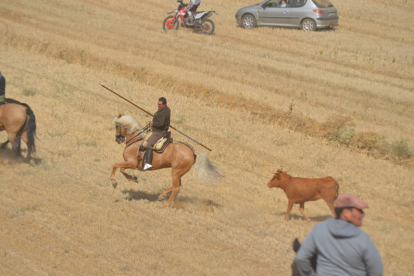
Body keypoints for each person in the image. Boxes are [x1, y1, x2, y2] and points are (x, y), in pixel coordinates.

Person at [295, 193, 383, 276]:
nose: (363, 214)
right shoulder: (363, 239)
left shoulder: (319, 230)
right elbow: (377, 271)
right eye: (360, 210)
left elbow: (301, 258)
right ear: (346, 213)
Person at [143, 97, 171, 171]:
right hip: (160, 130)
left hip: (159, 131)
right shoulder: (167, 109)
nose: (158, 106)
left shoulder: (163, 112)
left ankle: (148, 164)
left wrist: (153, 124)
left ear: (164, 104)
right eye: (158, 104)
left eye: (160, 104)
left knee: (149, 145)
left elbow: (161, 124)